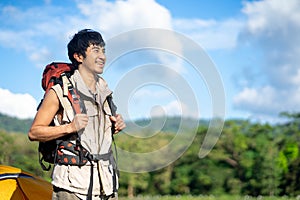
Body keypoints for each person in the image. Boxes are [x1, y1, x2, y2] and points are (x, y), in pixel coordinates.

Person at [28, 29, 126, 200]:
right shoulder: (59, 91)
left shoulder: (105, 91)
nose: (102, 56)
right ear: (79, 57)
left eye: (103, 50)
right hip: (72, 187)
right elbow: (34, 132)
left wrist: (115, 124)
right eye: (95, 50)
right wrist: (70, 127)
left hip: (107, 185)